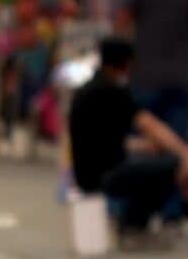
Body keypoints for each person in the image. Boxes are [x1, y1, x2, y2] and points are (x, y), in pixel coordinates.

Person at [69, 38, 188, 236]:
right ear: (126, 63)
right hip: (104, 173)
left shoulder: (87, 90)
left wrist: (144, 146)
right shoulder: (113, 91)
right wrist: (183, 153)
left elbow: (102, 139)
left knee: (153, 160)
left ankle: (130, 222)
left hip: (86, 171)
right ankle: (135, 224)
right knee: (171, 164)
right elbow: (150, 125)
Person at [118, 0, 188, 139]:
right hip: (183, 79)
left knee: (143, 149)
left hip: (144, 78)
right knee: (179, 149)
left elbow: (122, 23)